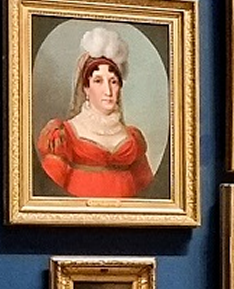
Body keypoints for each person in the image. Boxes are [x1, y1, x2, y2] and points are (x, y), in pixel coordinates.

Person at [36, 27, 154, 198]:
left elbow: (150, 193)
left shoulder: (132, 138)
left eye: (113, 82)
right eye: (98, 81)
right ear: (86, 88)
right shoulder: (64, 134)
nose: (108, 91)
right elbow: (47, 193)